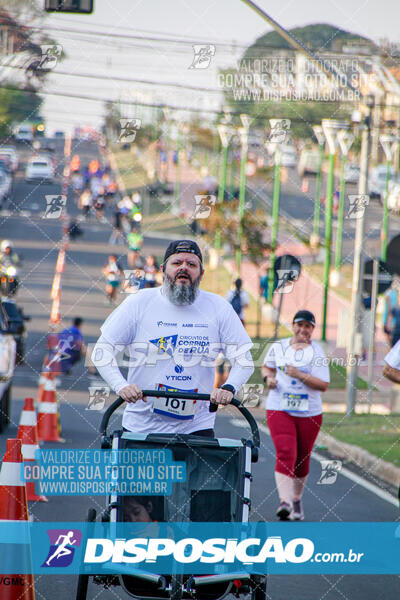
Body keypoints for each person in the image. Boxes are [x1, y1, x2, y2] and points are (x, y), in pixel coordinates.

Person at [92, 239, 254, 436]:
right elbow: (102, 352)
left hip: (197, 429)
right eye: (177, 263)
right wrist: (122, 386)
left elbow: (245, 361)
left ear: (202, 273)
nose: (183, 268)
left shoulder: (219, 308)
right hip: (141, 428)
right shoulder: (138, 303)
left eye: (191, 264)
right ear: (163, 269)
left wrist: (228, 388)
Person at [261, 310, 330, 521]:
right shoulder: (278, 347)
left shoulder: (317, 353)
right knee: (285, 452)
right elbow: (266, 367)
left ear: (313, 329)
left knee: (302, 459)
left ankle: (296, 498)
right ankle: (285, 502)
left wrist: (300, 374)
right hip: (279, 407)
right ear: (293, 326)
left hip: (309, 412)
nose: (303, 330)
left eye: (307, 326)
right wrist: (268, 380)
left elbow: (323, 385)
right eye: (299, 325)